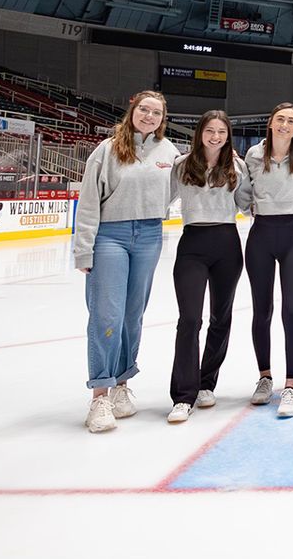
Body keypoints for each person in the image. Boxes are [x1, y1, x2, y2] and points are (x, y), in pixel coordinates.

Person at [73, 90, 180, 433]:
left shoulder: (168, 152)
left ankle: (122, 384)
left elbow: (177, 187)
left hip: (149, 235)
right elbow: (89, 201)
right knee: (107, 314)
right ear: (132, 111)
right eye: (144, 110)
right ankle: (100, 395)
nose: (149, 117)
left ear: (163, 119)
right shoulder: (107, 149)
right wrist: (83, 249)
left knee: (133, 315)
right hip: (110, 237)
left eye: (157, 113)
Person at [165, 110, 248, 423]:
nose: (216, 137)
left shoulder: (236, 167)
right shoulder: (182, 165)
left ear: (228, 136)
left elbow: (248, 202)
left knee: (220, 318)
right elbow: (162, 198)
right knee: (189, 319)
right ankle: (182, 396)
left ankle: (206, 383)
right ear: (200, 133)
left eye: (222, 132)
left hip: (227, 243)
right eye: (210, 130)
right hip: (193, 245)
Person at [243, 102, 293, 418]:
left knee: (291, 310)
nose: (285, 125)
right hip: (261, 235)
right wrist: (251, 209)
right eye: (280, 119)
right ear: (271, 123)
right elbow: (244, 192)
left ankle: (291, 386)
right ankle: (264, 377)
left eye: (291, 121)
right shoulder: (253, 156)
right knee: (262, 310)